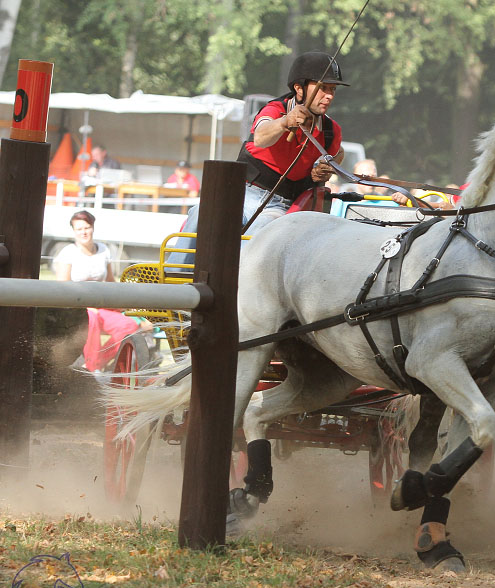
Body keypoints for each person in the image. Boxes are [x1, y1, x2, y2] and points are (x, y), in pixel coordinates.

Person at [170, 51, 347, 263]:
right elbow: (261, 137)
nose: (329, 95)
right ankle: (174, 277)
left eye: (332, 90)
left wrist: (328, 166)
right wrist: (284, 123)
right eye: (323, 88)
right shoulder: (275, 110)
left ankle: (236, 288)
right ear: (299, 88)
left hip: (279, 205)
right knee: (202, 212)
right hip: (241, 193)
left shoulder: (330, 130)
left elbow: (338, 153)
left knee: (262, 231)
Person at [53, 211, 149, 377]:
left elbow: (111, 282)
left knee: (129, 325)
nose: (83, 232)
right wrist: (86, 305)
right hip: (78, 307)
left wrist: (123, 303)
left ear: (93, 228)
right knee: (92, 318)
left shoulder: (103, 250)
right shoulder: (68, 252)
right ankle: (93, 368)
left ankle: (97, 364)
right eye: (79, 229)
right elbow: (63, 288)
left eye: (87, 227)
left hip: (102, 305)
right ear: (73, 231)